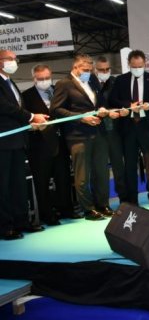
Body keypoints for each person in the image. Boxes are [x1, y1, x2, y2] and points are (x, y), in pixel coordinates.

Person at [51, 53, 108, 220]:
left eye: (90, 70)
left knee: (101, 172)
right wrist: (81, 118)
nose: (88, 73)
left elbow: (99, 102)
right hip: (78, 136)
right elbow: (56, 109)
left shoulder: (92, 80)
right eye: (85, 70)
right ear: (75, 67)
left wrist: (102, 109)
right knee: (82, 176)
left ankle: (102, 205)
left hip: (98, 132)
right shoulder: (64, 84)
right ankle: (88, 209)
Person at [1, 50, 49, 239]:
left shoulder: (9, 81)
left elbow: (17, 108)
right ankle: (6, 226)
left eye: (15, 59)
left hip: (18, 141)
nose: (14, 62)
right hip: (3, 143)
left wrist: (29, 123)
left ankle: (22, 221)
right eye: (10, 59)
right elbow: (4, 107)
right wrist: (31, 116)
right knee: (3, 186)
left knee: (19, 184)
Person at [108, 50, 149, 208]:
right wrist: (128, 105)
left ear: (144, 64)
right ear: (129, 64)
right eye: (134, 66)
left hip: (147, 127)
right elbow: (112, 100)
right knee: (130, 166)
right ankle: (133, 199)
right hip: (128, 128)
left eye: (140, 66)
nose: (138, 68)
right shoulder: (120, 80)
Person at [22, 64, 74, 226]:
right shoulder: (26, 96)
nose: (45, 81)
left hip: (62, 142)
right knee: (42, 182)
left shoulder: (59, 91)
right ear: (34, 79)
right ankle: (47, 214)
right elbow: (24, 119)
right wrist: (32, 126)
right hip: (39, 145)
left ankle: (66, 209)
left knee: (64, 177)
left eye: (47, 77)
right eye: (41, 78)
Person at [93, 56, 128, 211]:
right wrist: (106, 113)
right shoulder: (89, 84)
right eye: (102, 69)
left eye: (107, 69)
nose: (105, 72)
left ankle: (124, 200)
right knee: (100, 171)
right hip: (98, 132)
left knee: (119, 167)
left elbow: (120, 101)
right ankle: (102, 203)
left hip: (115, 131)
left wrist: (123, 110)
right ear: (95, 70)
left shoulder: (115, 82)